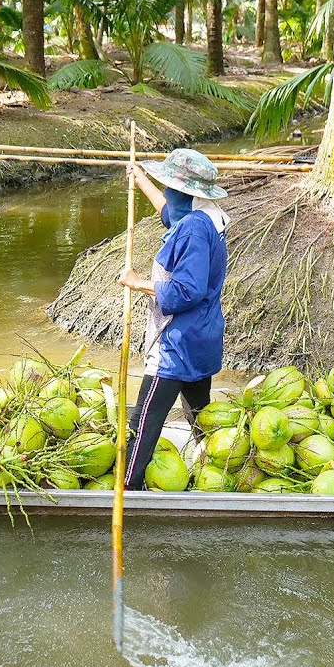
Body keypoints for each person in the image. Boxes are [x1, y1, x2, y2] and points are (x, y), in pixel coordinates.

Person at [117, 148, 232, 490]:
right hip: (202, 338)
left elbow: (186, 291)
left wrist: (139, 283)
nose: (164, 190)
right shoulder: (207, 216)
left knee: (143, 421)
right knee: (200, 418)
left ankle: (127, 488)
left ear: (184, 191)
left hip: (176, 342)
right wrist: (141, 181)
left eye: (168, 185)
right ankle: (218, 471)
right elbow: (170, 214)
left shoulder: (195, 230)